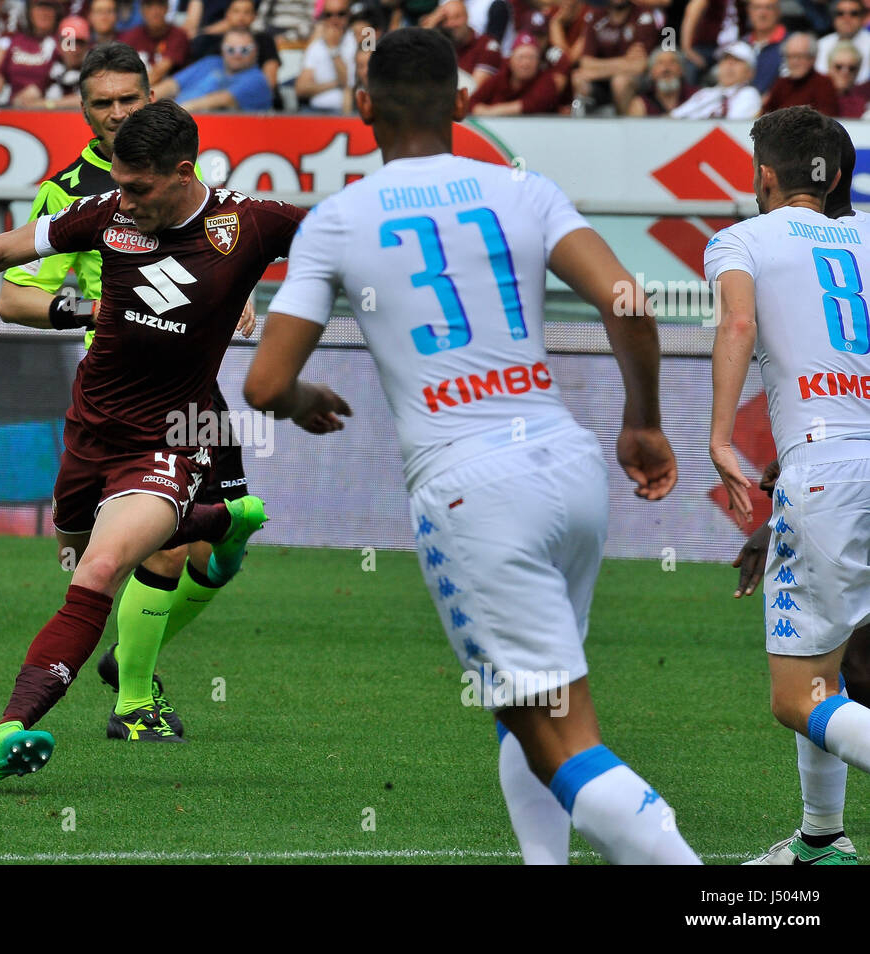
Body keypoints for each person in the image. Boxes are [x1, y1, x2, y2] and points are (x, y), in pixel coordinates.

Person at [244, 27, 699, 865]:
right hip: (568, 463)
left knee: (561, 734)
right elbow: (629, 300)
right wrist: (642, 420)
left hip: (470, 488)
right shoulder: (521, 189)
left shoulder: (339, 219)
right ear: (463, 102)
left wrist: (307, 399)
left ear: (363, 105)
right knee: (531, 703)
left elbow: (265, 386)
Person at [0, 100, 303, 776]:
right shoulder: (108, 214)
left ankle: (8, 730)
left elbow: (352, 247)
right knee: (76, 547)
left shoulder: (251, 224)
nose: (125, 201)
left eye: (139, 189)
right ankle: (217, 520)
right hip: (89, 434)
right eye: (119, 184)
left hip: (170, 438)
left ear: (183, 172)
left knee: (100, 572)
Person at [0, 41, 258, 735]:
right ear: (81, 111)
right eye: (100, 103)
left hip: (196, 392)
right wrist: (96, 311)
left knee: (215, 555)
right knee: (158, 547)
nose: (115, 114)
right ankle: (136, 702)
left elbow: (227, 249)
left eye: (127, 99)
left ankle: (130, 659)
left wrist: (240, 293)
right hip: (120, 401)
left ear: (151, 97)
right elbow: (13, 300)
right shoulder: (69, 193)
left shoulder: (182, 174)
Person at [709, 110, 870, 866]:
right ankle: (820, 840)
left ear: (764, 179)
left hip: (828, 470)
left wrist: (719, 438)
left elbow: (738, 325)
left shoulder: (742, 239)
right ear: (835, 176)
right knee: (830, 665)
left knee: (797, 695)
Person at [154, 25, 270, 109]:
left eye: (244, 50)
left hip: (214, 130)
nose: (237, 55)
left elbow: (223, 100)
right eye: (230, 49)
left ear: (255, 51)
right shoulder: (210, 62)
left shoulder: (258, 79)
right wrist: (144, 99)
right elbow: (172, 84)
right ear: (222, 50)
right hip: (182, 121)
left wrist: (173, 114)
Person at [0, 0, 60, 104]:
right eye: (39, 8)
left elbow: (68, 72)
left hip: (46, 106)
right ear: (30, 13)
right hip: (12, 105)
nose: (44, 13)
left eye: (49, 9)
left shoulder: (61, 42)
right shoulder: (16, 40)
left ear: (57, 13)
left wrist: (40, 89)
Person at [468, 33, 561, 115]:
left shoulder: (547, 81)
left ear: (539, 62)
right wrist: (479, 109)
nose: (526, 63)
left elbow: (534, 104)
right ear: (510, 60)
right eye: (521, 57)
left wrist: (492, 112)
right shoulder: (502, 76)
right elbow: (473, 101)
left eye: (531, 58)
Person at [669, 40, 761, 118]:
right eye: (725, 59)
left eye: (737, 60)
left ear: (750, 73)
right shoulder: (704, 93)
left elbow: (732, 129)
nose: (729, 64)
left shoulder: (749, 94)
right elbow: (673, 118)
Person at [294, 0, 355, 112]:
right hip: (314, 110)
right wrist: (335, 83)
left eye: (340, 14)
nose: (334, 20)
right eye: (328, 15)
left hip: (343, 111)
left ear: (349, 14)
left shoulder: (356, 41)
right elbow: (301, 89)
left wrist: (333, 50)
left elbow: (349, 82)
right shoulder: (317, 45)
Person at [762, 32, 838, 115]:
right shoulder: (780, 84)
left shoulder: (824, 84)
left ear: (813, 58)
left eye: (800, 56)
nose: (795, 62)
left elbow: (827, 119)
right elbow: (766, 114)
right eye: (790, 56)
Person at [119, 0, 189, 84]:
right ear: (141, 10)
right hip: (137, 88)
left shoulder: (178, 35)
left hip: (171, 93)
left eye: (160, 5)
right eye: (149, 5)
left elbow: (157, 74)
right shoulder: (131, 36)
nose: (155, 11)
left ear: (167, 8)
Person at [626, 47, 697, 115]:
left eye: (672, 62)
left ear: (681, 70)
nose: (666, 68)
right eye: (660, 63)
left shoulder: (696, 97)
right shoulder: (641, 104)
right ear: (651, 72)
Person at [817, 0, 870, 85]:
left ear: (863, 17)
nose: (846, 18)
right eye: (840, 13)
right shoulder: (821, 44)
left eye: (853, 13)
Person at [827, 42, 867, 117]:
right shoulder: (815, 97)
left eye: (851, 68)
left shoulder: (862, 104)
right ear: (829, 68)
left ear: (858, 71)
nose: (845, 72)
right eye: (839, 67)